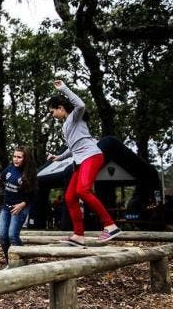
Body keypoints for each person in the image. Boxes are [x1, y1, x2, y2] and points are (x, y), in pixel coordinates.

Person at [48, 80, 121, 244]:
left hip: (91, 156)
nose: (52, 115)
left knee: (82, 191)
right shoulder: (66, 126)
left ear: (60, 108)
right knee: (69, 197)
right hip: (80, 161)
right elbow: (72, 148)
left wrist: (64, 89)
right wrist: (58, 158)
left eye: (52, 111)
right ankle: (78, 235)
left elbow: (80, 104)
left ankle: (110, 226)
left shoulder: (74, 117)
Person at [0, 146, 37, 266]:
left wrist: (22, 205)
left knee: (12, 236)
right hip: (6, 207)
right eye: (14, 156)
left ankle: (23, 260)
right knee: (3, 237)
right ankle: (10, 263)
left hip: (20, 207)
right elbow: (0, 179)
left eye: (19, 157)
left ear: (25, 159)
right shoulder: (10, 168)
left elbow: (34, 194)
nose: (16, 159)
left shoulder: (30, 173)